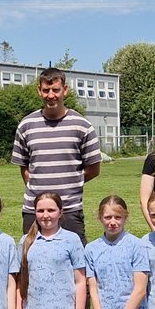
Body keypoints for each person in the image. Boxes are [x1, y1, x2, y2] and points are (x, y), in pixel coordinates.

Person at [11, 68, 101, 240]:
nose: (51, 95)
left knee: (74, 263)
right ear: (39, 90)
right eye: (46, 90)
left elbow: (94, 169)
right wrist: (40, 193)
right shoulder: (26, 125)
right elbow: (24, 168)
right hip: (34, 210)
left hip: (69, 209)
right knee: (31, 262)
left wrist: (70, 183)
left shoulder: (82, 126)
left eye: (55, 90)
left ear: (65, 90)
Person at [16, 192, 87, 309]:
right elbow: (19, 282)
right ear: (34, 213)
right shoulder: (26, 241)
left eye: (51, 210)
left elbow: (80, 281)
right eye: (40, 210)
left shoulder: (71, 240)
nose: (45, 215)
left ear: (60, 212)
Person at [85, 196, 151, 309]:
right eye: (107, 217)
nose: (112, 222)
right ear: (99, 218)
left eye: (117, 217)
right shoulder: (91, 249)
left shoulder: (136, 246)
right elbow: (94, 291)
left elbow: (140, 290)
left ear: (125, 217)